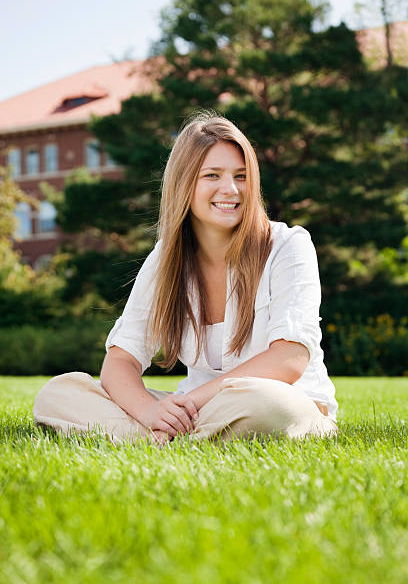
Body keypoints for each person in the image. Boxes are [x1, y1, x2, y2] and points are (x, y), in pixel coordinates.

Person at [33, 110, 339, 447]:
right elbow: (121, 360)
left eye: (241, 176)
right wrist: (151, 412)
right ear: (185, 183)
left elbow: (289, 359)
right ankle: (167, 436)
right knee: (58, 393)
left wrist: (190, 404)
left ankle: (153, 439)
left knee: (269, 404)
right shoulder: (167, 258)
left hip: (279, 403)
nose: (231, 189)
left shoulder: (287, 246)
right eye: (212, 175)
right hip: (197, 413)